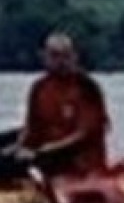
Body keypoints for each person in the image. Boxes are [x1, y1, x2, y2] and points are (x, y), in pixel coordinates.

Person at [18, 32, 110, 177]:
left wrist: (48, 150)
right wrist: (19, 148)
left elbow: (85, 134)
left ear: (75, 56)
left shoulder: (86, 87)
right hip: (50, 166)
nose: (61, 61)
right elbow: (32, 129)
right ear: (44, 57)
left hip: (84, 168)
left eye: (66, 55)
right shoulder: (39, 88)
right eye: (55, 55)